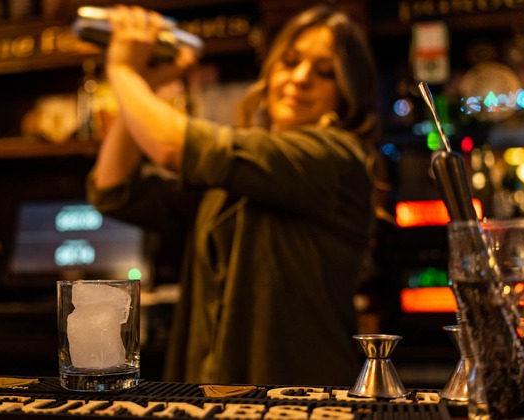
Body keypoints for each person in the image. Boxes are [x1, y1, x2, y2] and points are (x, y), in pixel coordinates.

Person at [86, 4, 381, 386]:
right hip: (211, 397)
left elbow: (172, 147)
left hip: (298, 401)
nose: (301, 78)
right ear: (270, 72)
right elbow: (113, 188)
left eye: (325, 72)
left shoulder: (338, 156)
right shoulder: (238, 172)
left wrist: (123, 71)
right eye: (290, 62)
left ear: (347, 93)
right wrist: (149, 80)